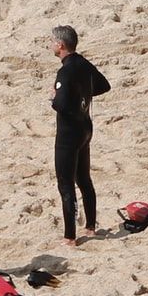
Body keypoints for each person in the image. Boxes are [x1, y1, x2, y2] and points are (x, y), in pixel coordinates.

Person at [49, 26, 111, 247]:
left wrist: (54, 97)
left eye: (52, 41)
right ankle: (91, 227)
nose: (50, 45)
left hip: (68, 134)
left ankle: (70, 237)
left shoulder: (65, 72)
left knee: (66, 185)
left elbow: (61, 105)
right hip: (85, 128)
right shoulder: (83, 63)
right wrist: (83, 96)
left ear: (60, 45)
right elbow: (104, 85)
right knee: (84, 179)